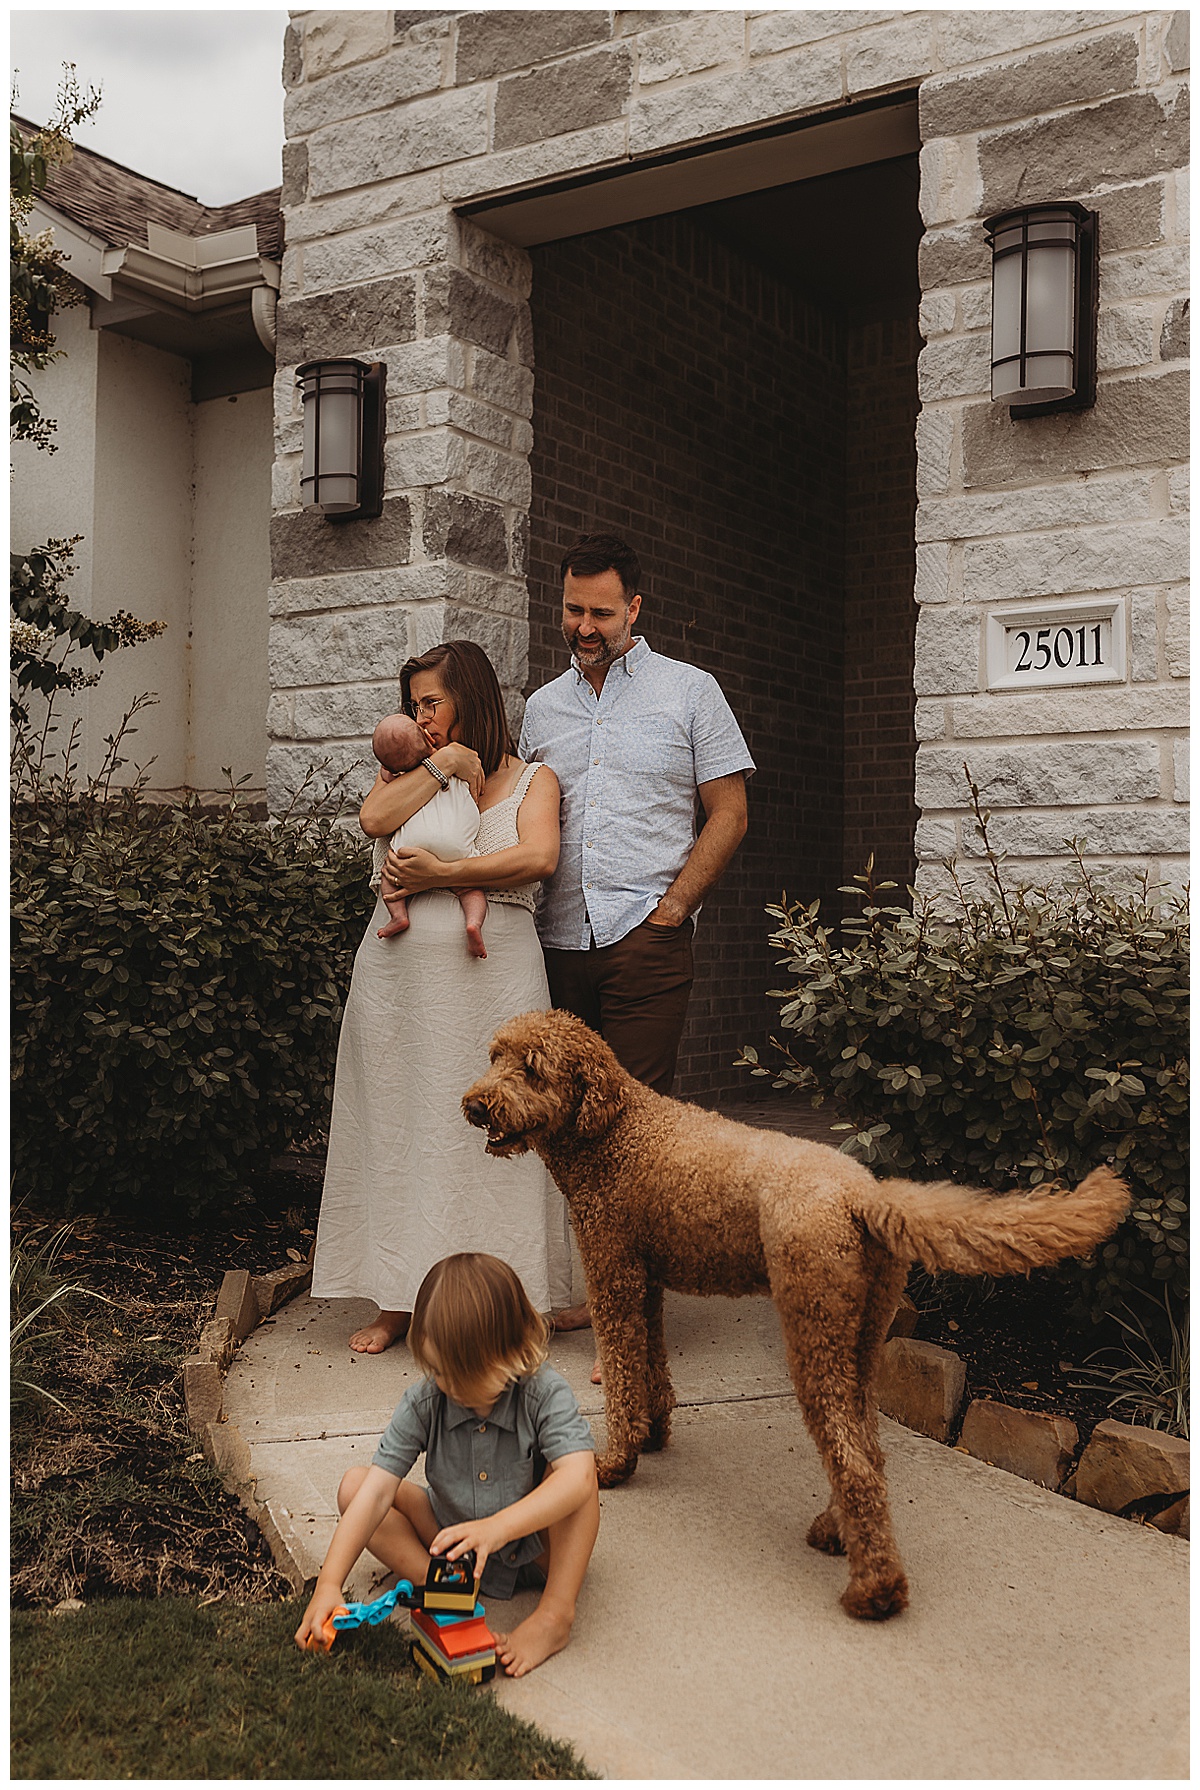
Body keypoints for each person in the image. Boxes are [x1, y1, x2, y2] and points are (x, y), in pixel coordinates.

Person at [519, 533, 755, 1348]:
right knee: (563, 1134)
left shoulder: (690, 692)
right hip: (554, 943)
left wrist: (673, 909)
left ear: (635, 609)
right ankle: (589, 1290)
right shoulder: (541, 708)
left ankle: (632, 1326)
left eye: (601, 612)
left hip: (644, 939)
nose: (585, 626)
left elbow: (730, 813)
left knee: (634, 1140)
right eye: (573, 609)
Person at [311, 639, 574, 1354]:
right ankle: (399, 1297)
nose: (421, 715)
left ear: (472, 699)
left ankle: (512, 1298)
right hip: (398, 984)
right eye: (414, 704)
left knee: (497, 1128)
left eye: (433, 703)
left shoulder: (533, 779)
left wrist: (437, 878)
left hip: (497, 980)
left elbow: (537, 857)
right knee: (400, 1127)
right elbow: (375, 821)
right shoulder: (405, 770)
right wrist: (437, 766)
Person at [294, 1252, 600, 1678]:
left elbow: (579, 1478)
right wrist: (329, 1584)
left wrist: (498, 1528)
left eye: (461, 1374)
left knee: (577, 1480)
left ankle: (554, 1616)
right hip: (449, 1544)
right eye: (437, 1370)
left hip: (533, 1549)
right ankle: (441, 1589)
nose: (447, 1386)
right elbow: (379, 1490)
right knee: (356, 1486)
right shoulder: (426, 1400)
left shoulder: (544, 1392)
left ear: (509, 1353)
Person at [368, 710, 488, 956]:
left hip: (412, 845)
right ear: (426, 738)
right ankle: (473, 923)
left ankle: (399, 916)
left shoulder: (402, 778)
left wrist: (387, 770)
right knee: (470, 889)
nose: (422, 717)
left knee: (389, 876)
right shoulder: (453, 761)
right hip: (457, 845)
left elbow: (386, 776)